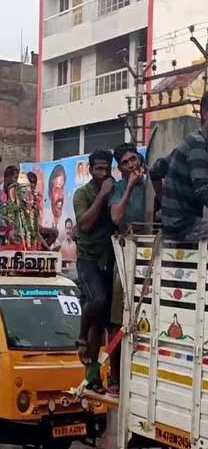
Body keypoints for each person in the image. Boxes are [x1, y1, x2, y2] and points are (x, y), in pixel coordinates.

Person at [107, 143, 147, 397]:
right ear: (120, 168)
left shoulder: (152, 182)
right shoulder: (120, 188)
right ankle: (114, 376)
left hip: (149, 256)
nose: (132, 165)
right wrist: (131, 187)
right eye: (126, 162)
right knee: (117, 320)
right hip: (124, 256)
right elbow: (115, 218)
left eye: (134, 159)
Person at [74, 149, 115, 393]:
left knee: (101, 323)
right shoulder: (83, 194)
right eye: (98, 169)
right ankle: (79, 337)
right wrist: (102, 196)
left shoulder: (114, 189)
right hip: (87, 259)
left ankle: (92, 378)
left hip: (108, 259)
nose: (103, 173)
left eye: (106, 169)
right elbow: (85, 224)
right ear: (90, 170)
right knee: (96, 300)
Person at [162, 92, 208, 240]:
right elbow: (203, 190)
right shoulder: (197, 144)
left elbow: (156, 170)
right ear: (205, 113)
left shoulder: (193, 142)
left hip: (180, 222)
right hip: (183, 225)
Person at [44, 164, 67, 230]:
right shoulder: (44, 217)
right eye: (56, 190)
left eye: (62, 188)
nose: (61, 195)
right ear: (49, 194)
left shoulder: (68, 220)